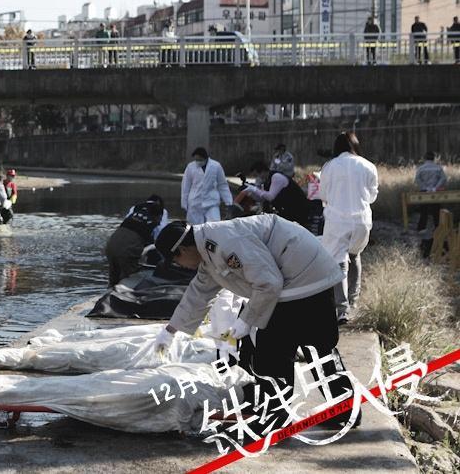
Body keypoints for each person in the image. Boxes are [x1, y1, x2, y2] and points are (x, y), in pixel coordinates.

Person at [152, 216, 353, 429]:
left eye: (176, 261)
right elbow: (199, 292)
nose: (179, 266)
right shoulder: (209, 248)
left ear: (182, 250)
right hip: (305, 277)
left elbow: (269, 282)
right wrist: (170, 331)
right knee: (315, 350)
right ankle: (344, 411)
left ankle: (276, 416)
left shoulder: (225, 242)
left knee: (273, 355)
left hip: (301, 280)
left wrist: (246, 320)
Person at [319, 132, 379, 324]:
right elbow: (372, 196)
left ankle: (342, 309)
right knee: (355, 256)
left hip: (337, 221)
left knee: (339, 263)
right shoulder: (369, 166)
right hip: (361, 220)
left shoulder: (329, 167)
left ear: (336, 147)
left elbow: (324, 195)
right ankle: (353, 303)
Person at [103, 194, 167, 287]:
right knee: (130, 280)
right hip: (128, 248)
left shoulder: (136, 209)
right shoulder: (161, 211)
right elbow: (161, 235)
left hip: (111, 243)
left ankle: (108, 298)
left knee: (113, 279)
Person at [241, 161, 310, 228]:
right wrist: (250, 192)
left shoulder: (277, 177)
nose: (258, 178)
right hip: (286, 211)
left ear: (262, 171)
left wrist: (255, 189)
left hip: (297, 210)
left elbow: (270, 196)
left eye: (257, 175)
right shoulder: (267, 181)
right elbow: (262, 198)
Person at [181, 147, 233, 224]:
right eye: (196, 160)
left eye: (199, 160)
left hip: (211, 202)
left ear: (205, 158)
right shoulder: (190, 167)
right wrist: (184, 203)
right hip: (195, 202)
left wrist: (228, 202)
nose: (198, 162)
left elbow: (222, 185)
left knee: (214, 225)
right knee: (195, 228)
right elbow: (186, 185)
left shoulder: (216, 166)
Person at [415, 151, 447, 257]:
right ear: (434, 158)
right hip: (436, 192)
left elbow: (417, 180)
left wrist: (425, 187)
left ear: (425, 158)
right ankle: (438, 227)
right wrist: (435, 187)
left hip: (424, 192)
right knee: (436, 212)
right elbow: (443, 178)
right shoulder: (438, 168)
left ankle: (421, 228)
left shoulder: (421, 168)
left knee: (423, 211)